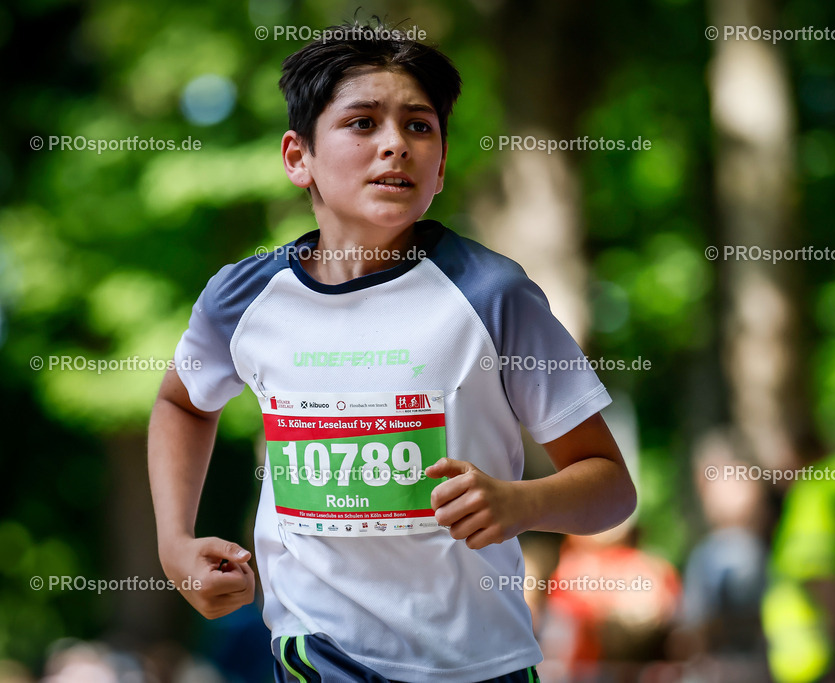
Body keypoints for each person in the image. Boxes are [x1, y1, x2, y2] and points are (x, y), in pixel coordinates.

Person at [147, 22, 636, 683]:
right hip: (318, 651)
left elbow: (610, 486)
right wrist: (174, 542)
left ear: (441, 164)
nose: (394, 146)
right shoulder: (243, 299)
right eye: (362, 123)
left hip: (479, 661)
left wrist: (521, 503)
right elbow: (182, 400)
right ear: (298, 157)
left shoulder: (492, 294)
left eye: (418, 126)